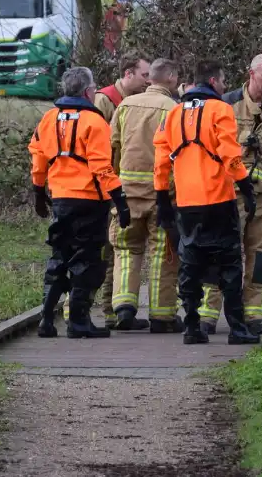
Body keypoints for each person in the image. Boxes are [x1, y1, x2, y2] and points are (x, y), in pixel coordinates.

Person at [153, 60, 261, 345]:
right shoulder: (221, 110)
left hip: (187, 204)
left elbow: (161, 161)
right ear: (213, 82)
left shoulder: (173, 114)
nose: (225, 87)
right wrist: (246, 188)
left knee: (190, 265)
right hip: (219, 201)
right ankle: (237, 329)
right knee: (229, 265)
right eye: (223, 81)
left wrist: (162, 198)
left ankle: (192, 327)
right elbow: (230, 154)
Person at [198, 54, 262, 336]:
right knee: (220, 253)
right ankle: (207, 313)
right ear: (251, 75)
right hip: (229, 195)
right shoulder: (225, 105)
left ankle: (255, 313)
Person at [29, 66, 132, 339]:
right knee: (87, 261)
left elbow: (38, 159)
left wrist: (39, 193)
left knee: (59, 258)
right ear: (88, 91)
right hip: (88, 201)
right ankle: (78, 321)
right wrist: (120, 202)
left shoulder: (48, 119)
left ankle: (46, 319)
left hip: (60, 199)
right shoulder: (94, 122)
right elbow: (102, 168)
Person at [66, 52, 151, 328]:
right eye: (144, 75)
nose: (148, 82)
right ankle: (75, 311)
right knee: (95, 253)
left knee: (113, 253)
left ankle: (111, 312)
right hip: (96, 191)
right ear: (128, 74)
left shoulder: (131, 102)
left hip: (113, 190)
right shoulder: (104, 101)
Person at [108, 58, 184, 332]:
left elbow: (112, 147)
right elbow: (177, 153)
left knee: (126, 250)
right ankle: (162, 316)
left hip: (126, 192)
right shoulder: (173, 109)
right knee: (162, 253)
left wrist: (115, 186)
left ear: (150, 78)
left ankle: (124, 307)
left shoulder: (125, 106)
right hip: (160, 194)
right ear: (172, 78)